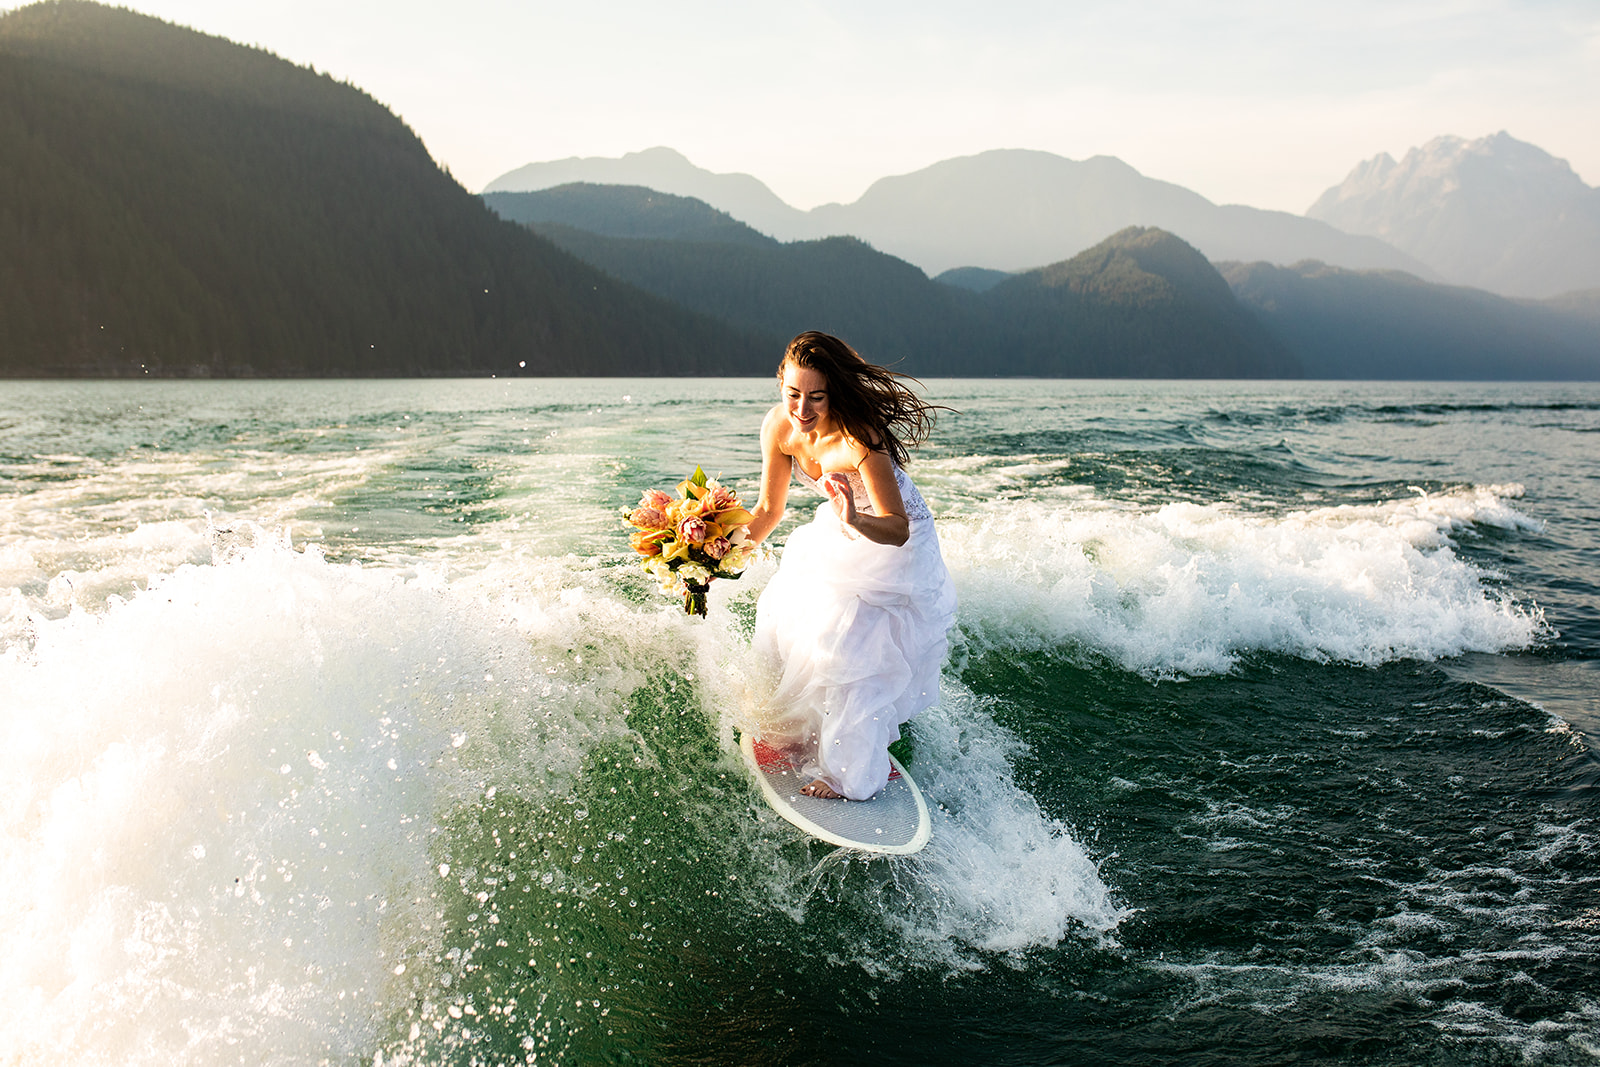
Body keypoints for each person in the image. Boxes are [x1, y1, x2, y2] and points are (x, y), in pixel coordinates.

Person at [745, 331, 957, 801]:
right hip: (841, 530)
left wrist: (856, 517)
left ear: (834, 393)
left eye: (816, 397)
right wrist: (717, 550)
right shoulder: (779, 427)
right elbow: (767, 511)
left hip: (894, 544)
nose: (802, 410)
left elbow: (896, 526)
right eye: (793, 394)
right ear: (780, 384)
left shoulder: (860, 436)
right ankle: (796, 730)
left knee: (846, 648)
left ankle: (853, 775)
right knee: (785, 615)